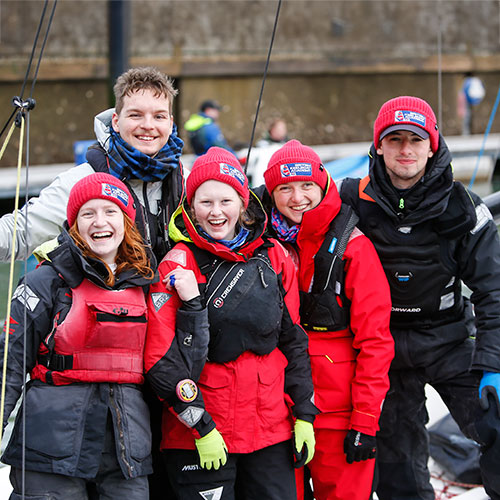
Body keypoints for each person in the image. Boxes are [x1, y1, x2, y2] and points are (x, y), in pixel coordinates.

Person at [340, 95, 500, 500]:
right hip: (382, 349)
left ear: (433, 145)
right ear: (378, 145)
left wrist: (492, 364)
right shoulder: (349, 200)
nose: (406, 150)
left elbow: (494, 291)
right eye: (395, 140)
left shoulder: (463, 208)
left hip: (447, 339)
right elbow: (289, 194)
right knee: (399, 474)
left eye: (416, 139)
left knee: (498, 425)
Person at [144, 146, 317, 499]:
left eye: (226, 200)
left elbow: (294, 340)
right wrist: (200, 426)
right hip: (201, 435)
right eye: (205, 202)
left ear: (243, 204)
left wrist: (304, 414)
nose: (216, 211)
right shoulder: (177, 264)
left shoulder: (274, 256)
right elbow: (160, 360)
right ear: (190, 207)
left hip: (270, 431)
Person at [0, 173, 156, 499]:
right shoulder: (43, 283)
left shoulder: (148, 283)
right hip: (49, 448)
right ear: (74, 224)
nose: (100, 222)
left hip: (126, 450)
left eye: (110, 211)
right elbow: (10, 364)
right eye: (88, 213)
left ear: (126, 220)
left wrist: (194, 306)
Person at [260, 139, 394, 500]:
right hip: (272, 413)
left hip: (337, 415)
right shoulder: (256, 242)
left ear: (322, 185)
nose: (297, 197)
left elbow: (376, 341)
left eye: (306, 186)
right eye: (284, 188)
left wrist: (365, 421)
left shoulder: (354, 247)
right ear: (270, 193)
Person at [0, 66, 184, 267]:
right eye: (135, 115)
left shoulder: (188, 182)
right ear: (116, 121)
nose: (148, 125)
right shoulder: (78, 182)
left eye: (159, 116)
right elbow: (18, 234)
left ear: (170, 122)